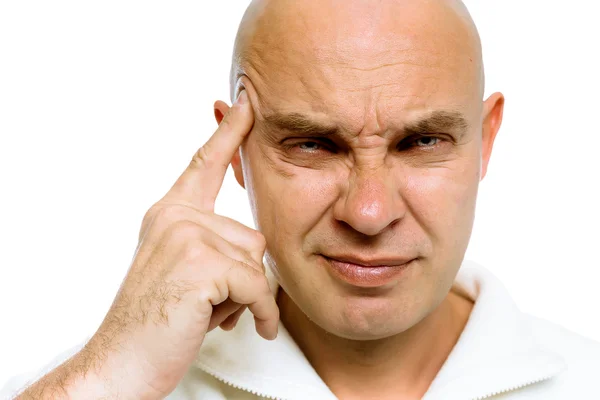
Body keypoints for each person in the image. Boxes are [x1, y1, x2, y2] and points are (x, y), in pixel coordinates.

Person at [2, 0, 599, 398]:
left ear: (486, 139)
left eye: (420, 142)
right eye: (313, 144)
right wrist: (110, 376)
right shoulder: (103, 384)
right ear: (236, 149)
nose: (368, 213)